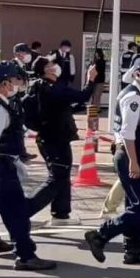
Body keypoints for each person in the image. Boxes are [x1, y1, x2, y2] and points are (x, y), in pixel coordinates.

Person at [84, 55, 140, 265]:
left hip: (129, 152)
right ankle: (100, 235)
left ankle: (133, 249)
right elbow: (128, 133)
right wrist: (133, 162)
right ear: (138, 73)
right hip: (130, 153)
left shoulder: (136, 93)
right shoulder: (134, 97)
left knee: (134, 203)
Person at [0, 61, 57, 270]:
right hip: (1, 168)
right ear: (4, 83)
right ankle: (25, 255)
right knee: (18, 212)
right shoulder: (0, 109)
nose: (19, 84)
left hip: (5, 164)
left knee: (9, 209)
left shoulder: (4, 105)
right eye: (16, 80)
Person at [26, 56, 97, 223]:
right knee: (57, 178)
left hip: (53, 138)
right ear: (46, 70)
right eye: (52, 64)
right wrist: (90, 79)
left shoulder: (40, 87)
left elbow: (65, 104)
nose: (56, 66)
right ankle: (25, 211)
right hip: (54, 139)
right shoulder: (52, 88)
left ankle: (61, 213)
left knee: (63, 176)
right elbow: (83, 95)